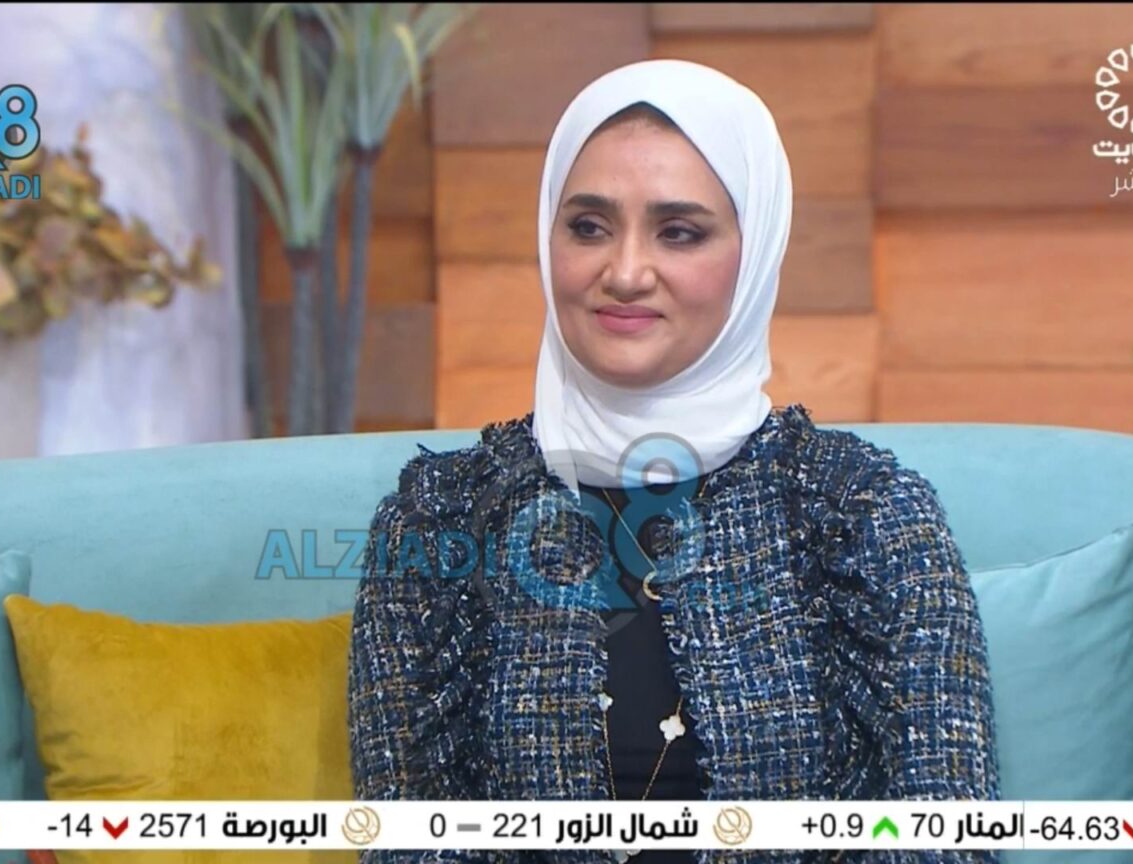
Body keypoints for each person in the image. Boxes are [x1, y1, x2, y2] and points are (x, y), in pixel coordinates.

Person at [348, 58, 1001, 864]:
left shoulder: (864, 512)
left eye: (679, 232)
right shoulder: (441, 516)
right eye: (589, 227)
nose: (624, 272)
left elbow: (943, 839)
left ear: (754, 252)